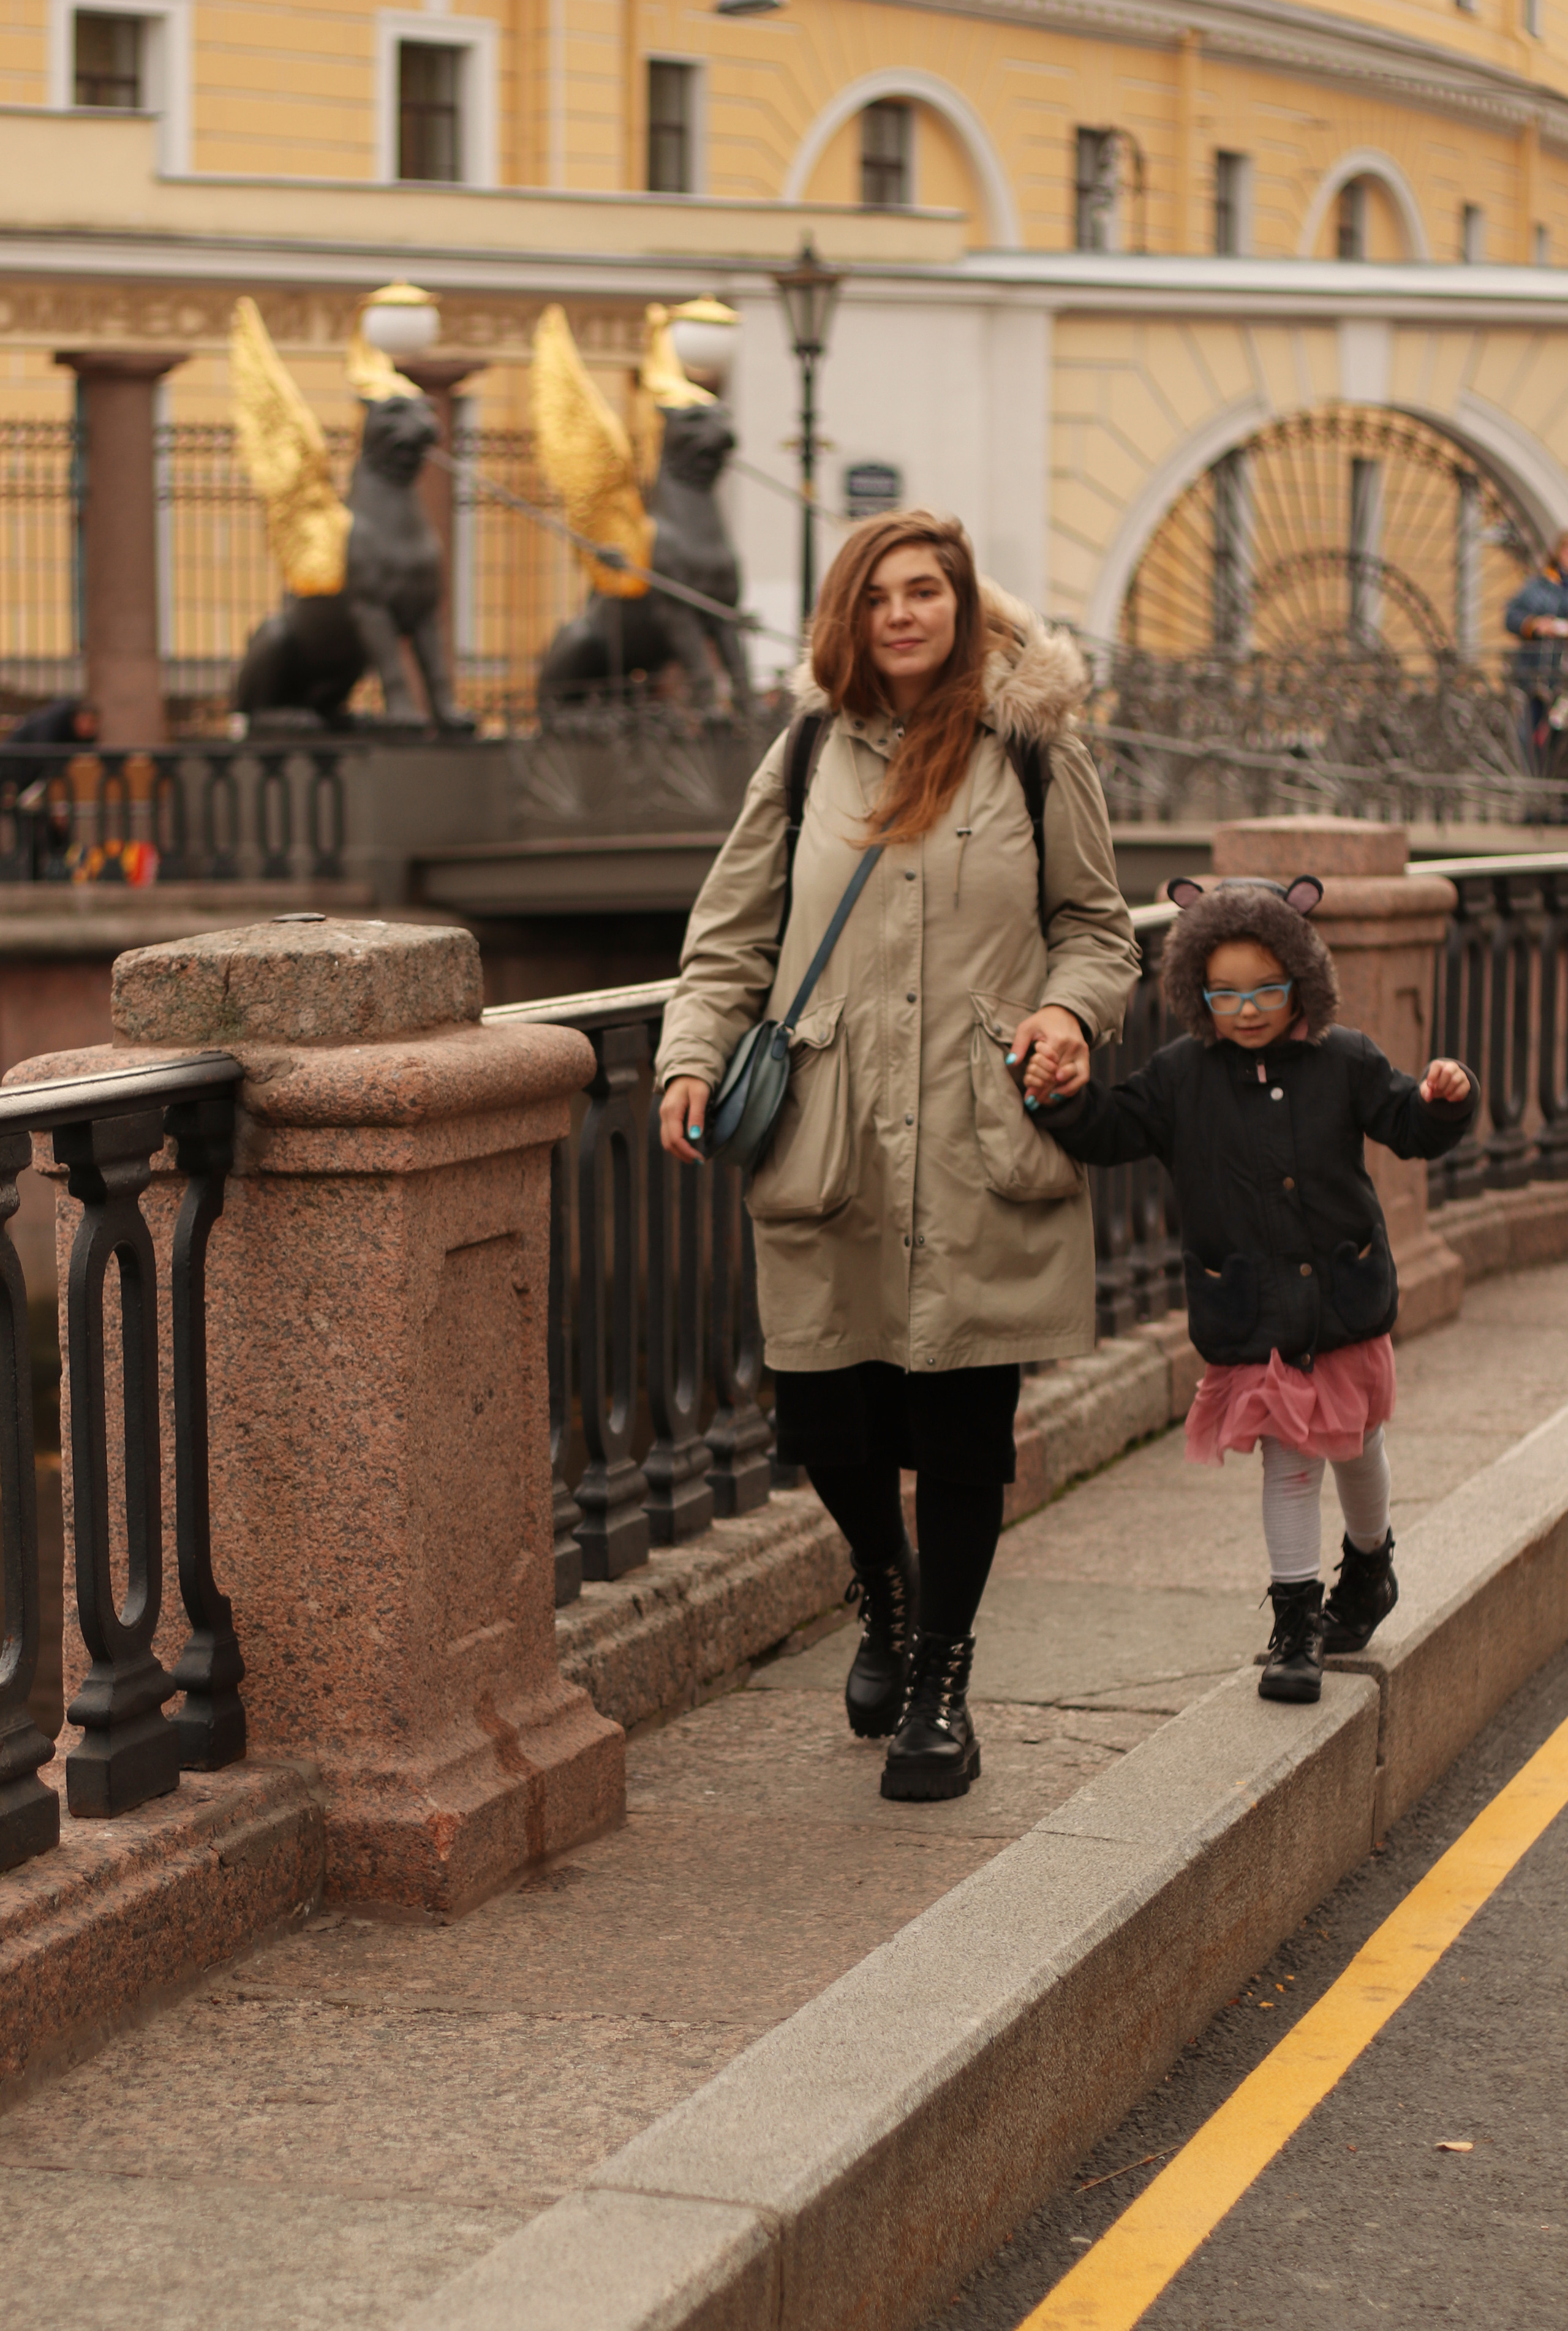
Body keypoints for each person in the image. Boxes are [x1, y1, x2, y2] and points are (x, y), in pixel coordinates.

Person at [654, 510, 1139, 1801]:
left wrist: (1064, 1013)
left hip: (980, 1133)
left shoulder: (1032, 752)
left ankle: (937, 1683)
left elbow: (1096, 929)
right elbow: (730, 936)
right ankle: (881, 1591)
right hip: (834, 1133)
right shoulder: (808, 750)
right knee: (827, 1417)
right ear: (847, 616)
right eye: (880, 596)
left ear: (961, 603)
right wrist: (690, 1055)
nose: (904, 615)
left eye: (926, 591)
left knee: (963, 1431)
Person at [1027, 874, 1477, 1702]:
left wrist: (1444, 1100)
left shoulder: (1345, 1059)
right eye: (1223, 992)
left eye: (1266, 989)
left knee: (1359, 1442)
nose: (1245, 1009)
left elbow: (1408, 1127)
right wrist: (1063, 1098)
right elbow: (1112, 1129)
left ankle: (1371, 1563)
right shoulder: (1179, 1075)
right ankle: (1295, 1626)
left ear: (1302, 980)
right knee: (1293, 1460)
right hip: (1254, 1311)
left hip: (1340, 1302)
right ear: (1195, 990)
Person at [1505, 535, 1568, 775]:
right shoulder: (1539, 587)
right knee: (1532, 737)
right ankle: (1535, 795)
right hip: (1538, 675)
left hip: (1564, 679)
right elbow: (1511, 617)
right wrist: (1535, 625)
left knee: (1560, 741)